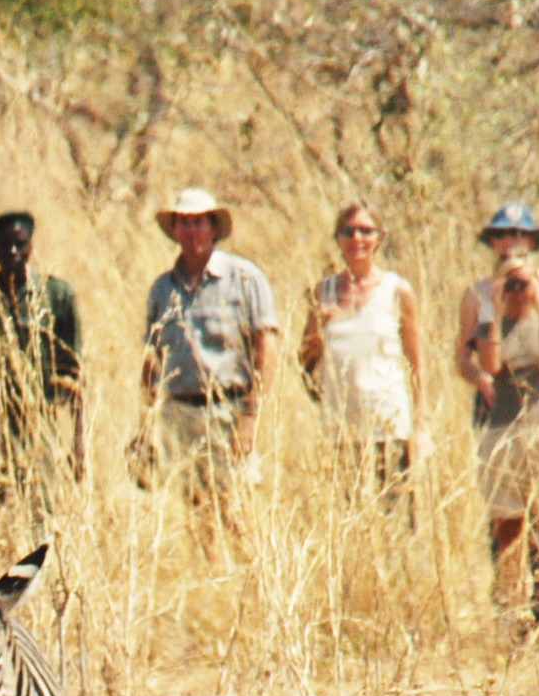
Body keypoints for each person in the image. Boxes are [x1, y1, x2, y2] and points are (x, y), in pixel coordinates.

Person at [453, 200, 539, 640]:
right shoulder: (477, 295)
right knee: (506, 517)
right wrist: (494, 308)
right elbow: (476, 361)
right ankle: (510, 611)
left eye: (519, 237)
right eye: (502, 236)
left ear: (532, 243)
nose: (510, 245)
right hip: (499, 421)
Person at [136, 187, 278, 540]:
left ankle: (251, 582)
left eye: (199, 222)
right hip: (181, 412)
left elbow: (267, 345)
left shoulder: (244, 278)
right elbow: (152, 357)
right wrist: (146, 422)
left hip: (228, 410)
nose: (191, 231)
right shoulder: (162, 289)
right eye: (183, 223)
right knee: (197, 508)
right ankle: (215, 578)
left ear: (213, 227)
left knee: (237, 507)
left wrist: (250, 414)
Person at [295, 198, 425, 514]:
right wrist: (318, 330)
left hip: (388, 424)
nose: (357, 239)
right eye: (348, 231)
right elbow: (305, 363)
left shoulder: (397, 291)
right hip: (342, 426)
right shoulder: (322, 292)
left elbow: (416, 362)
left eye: (366, 231)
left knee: (394, 519)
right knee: (349, 516)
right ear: (338, 238)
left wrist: (420, 421)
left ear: (379, 237)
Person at [0, 210, 86, 513]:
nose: (13, 253)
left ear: (31, 245)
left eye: (20, 244)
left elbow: (74, 374)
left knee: (41, 507)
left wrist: (78, 442)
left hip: (40, 422)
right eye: (4, 245)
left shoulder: (56, 295)